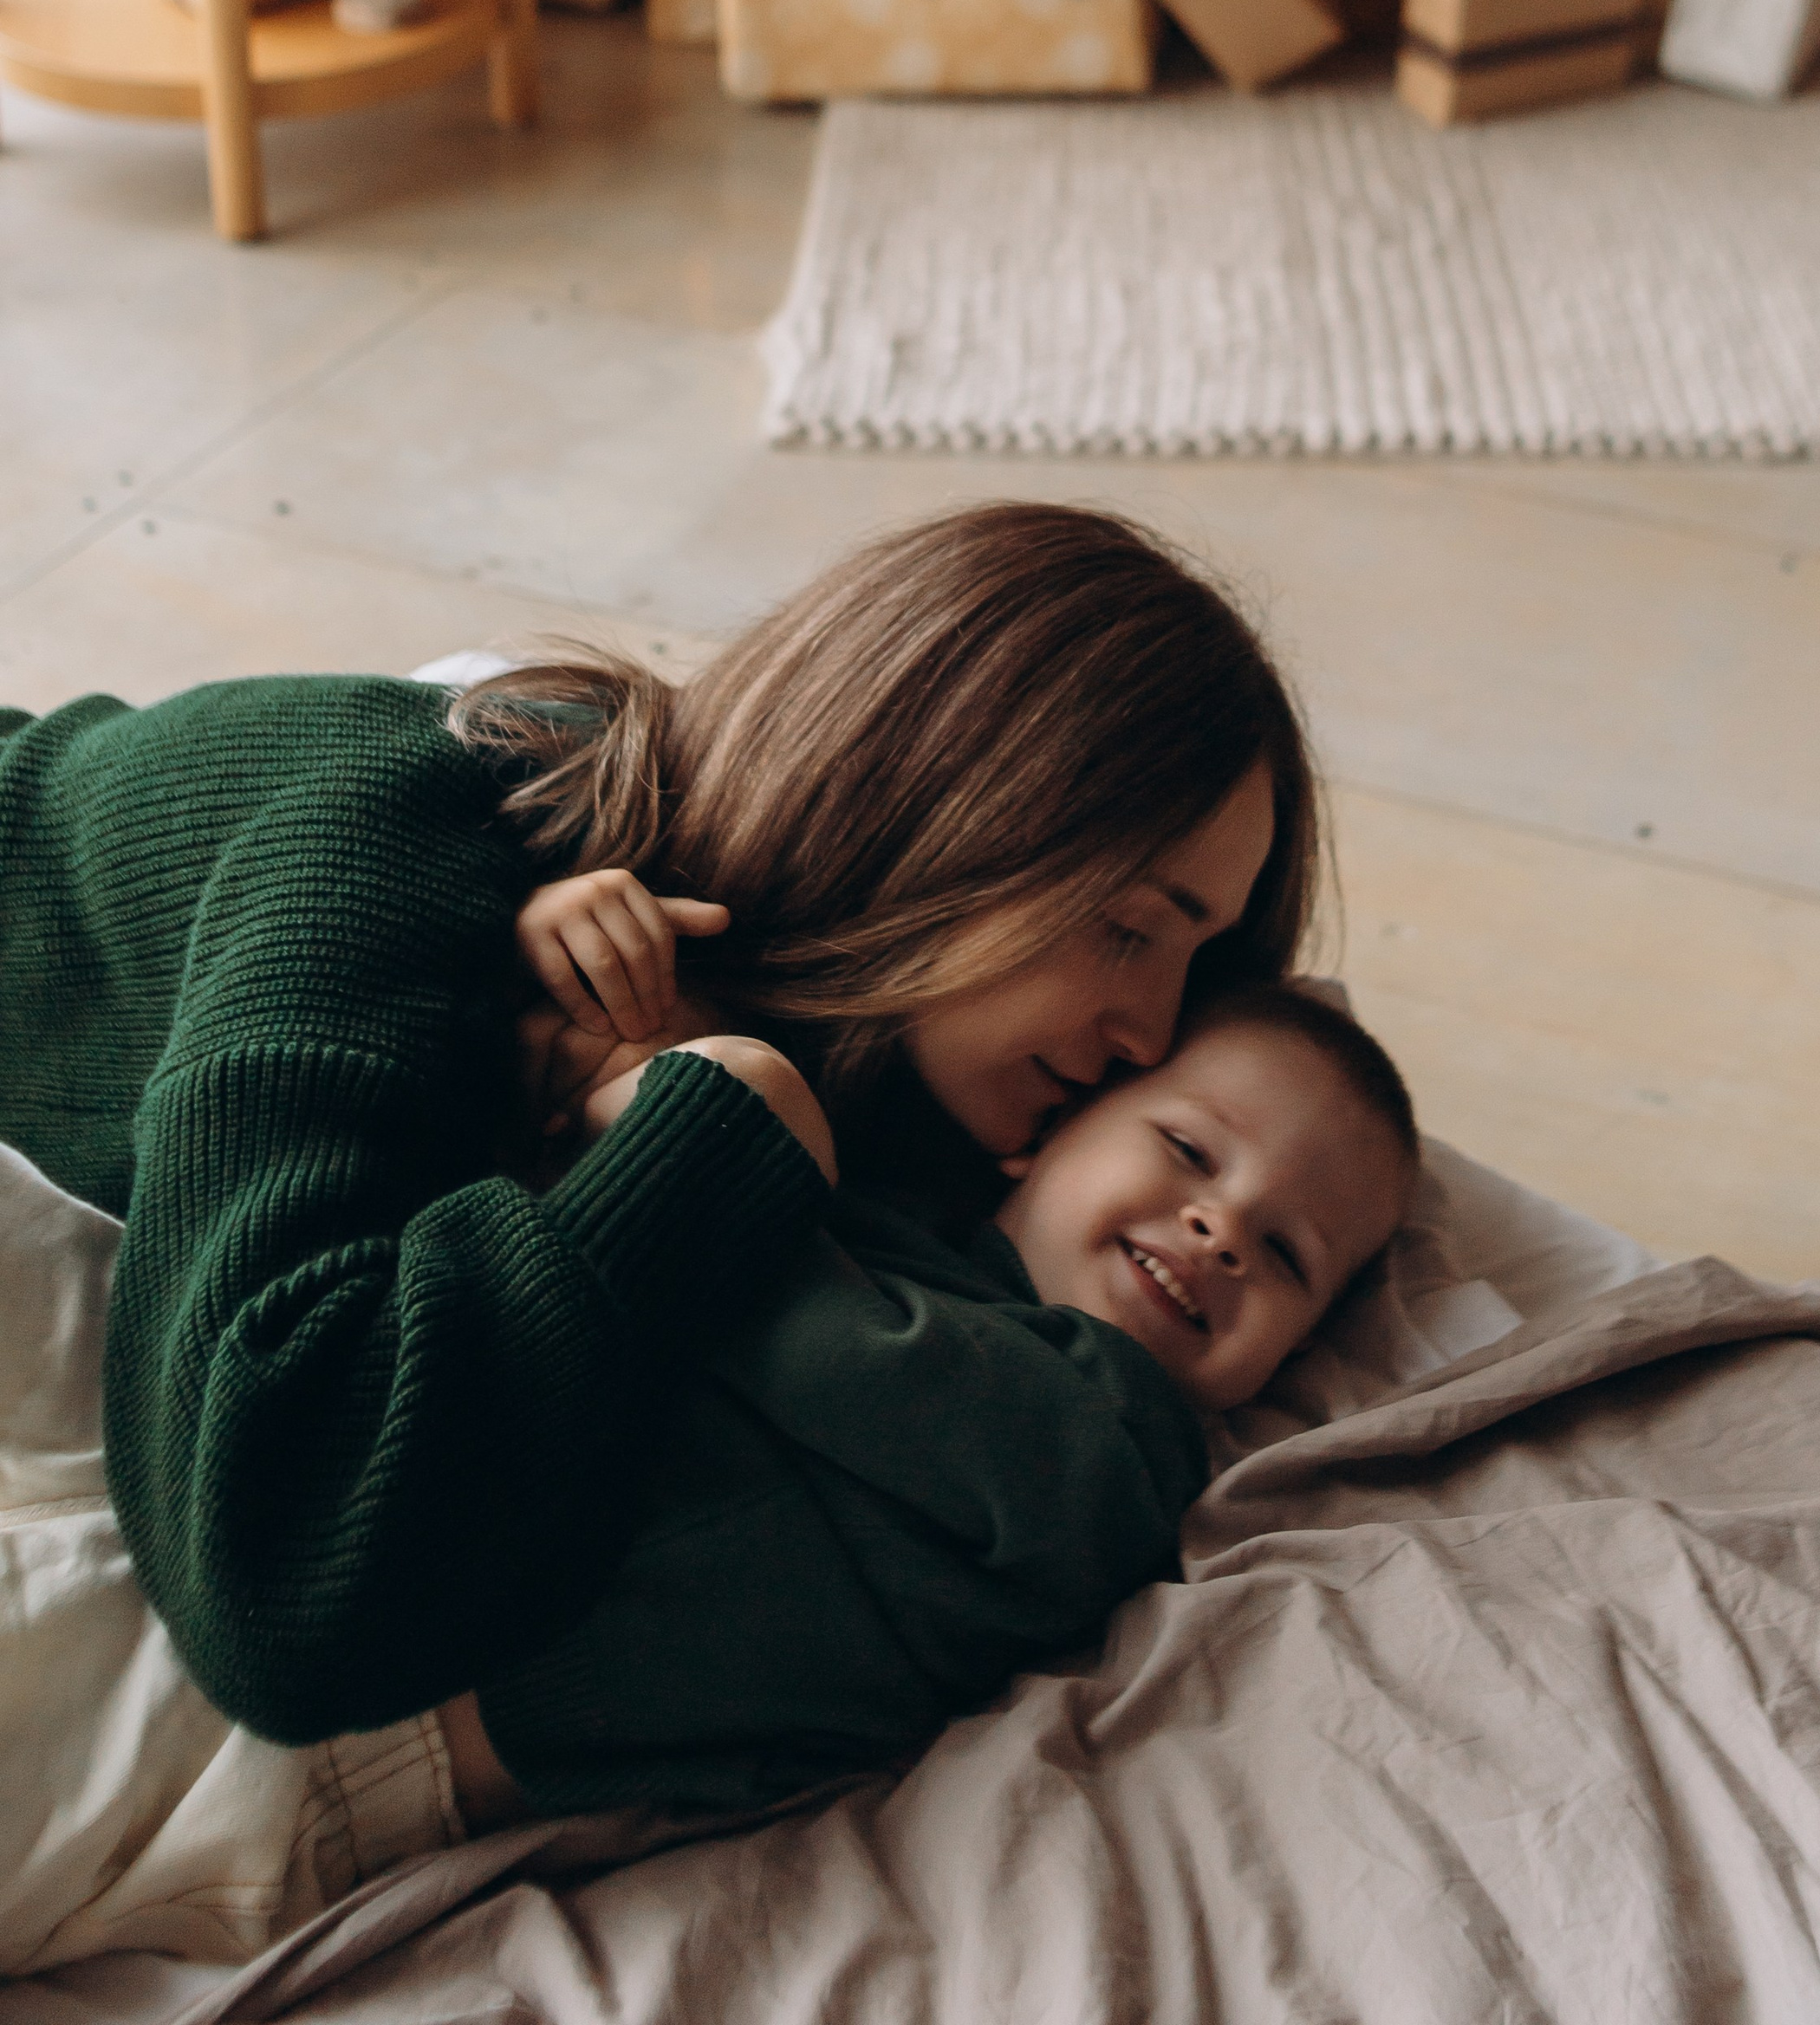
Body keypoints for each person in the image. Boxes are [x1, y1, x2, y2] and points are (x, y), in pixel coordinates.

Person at [0, 503, 1318, 1747]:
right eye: (1129, 928)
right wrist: (708, 1127)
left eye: (1191, 965)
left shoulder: (871, 1054)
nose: (1153, 1031)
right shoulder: (399, 830)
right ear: (950, 815)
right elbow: (279, 1600)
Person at [0, 990, 1415, 1971]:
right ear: (1045, 1130)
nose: (1222, 1225)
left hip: (356, 1727)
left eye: (1289, 1253)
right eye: (1187, 1150)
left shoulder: (1111, 1442)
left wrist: (694, 1148)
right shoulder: (887, 1218)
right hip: (325, 1469)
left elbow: (830, 1350)